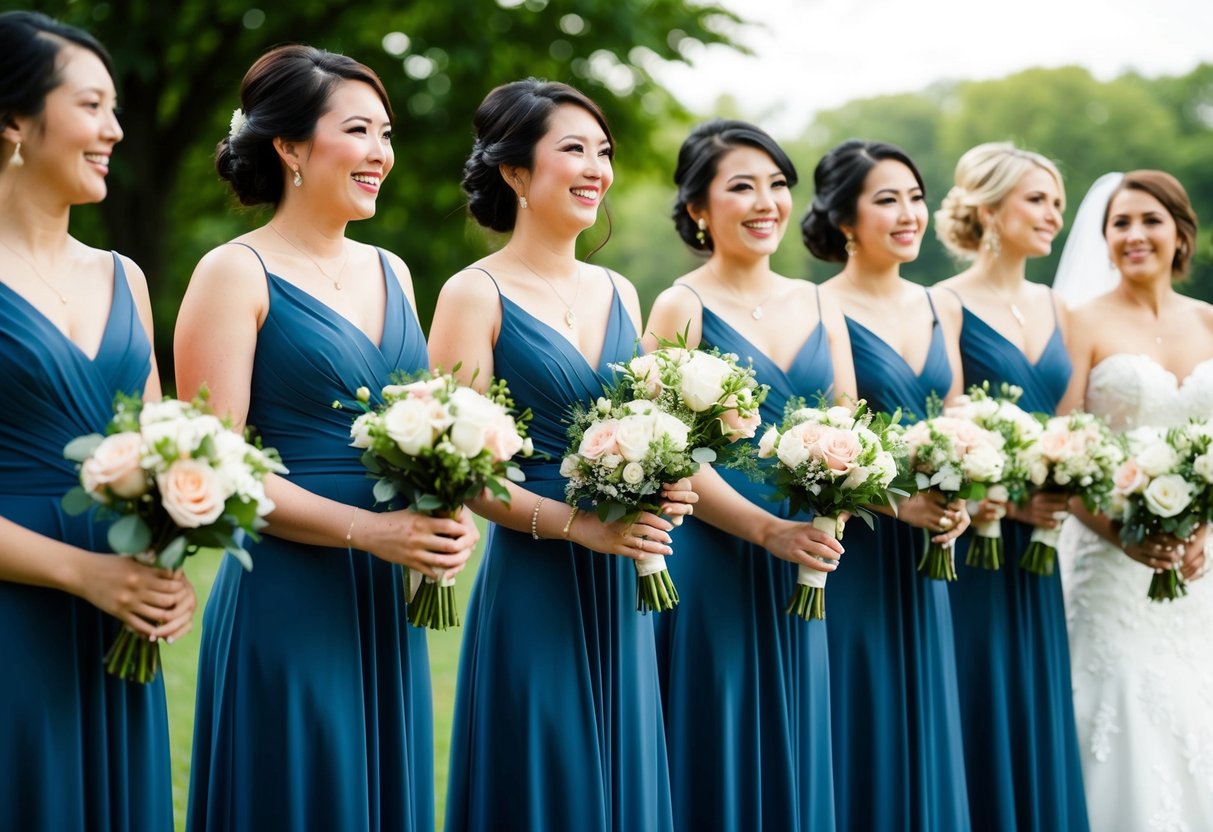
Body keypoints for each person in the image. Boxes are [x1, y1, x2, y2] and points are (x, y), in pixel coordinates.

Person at [177, 45, 478, 831]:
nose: (380, 152)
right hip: (289, 593)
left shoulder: (393, 271)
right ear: (289, 147)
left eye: (386, 132)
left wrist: (451, 499)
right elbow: (218, 463)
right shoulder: (233, 272)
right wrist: (369, 530)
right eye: (358, 130)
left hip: (387, 596)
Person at [429, 78, 696, 832]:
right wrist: (578, 526)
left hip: (623, 581)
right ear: (515, 172)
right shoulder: (471, 294)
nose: (595, 169)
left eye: (602, 151)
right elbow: (463, 470)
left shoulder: (619, 291)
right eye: (572, 149)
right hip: (534, 576)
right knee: (546, 783)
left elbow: (641, 423)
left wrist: (665, 479)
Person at [0, 11, 195, 830]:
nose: (115, 130)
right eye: (91, 106)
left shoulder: (125, 277)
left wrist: (172, 550)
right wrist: (85, 574)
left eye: (116, 109)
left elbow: (158, 449)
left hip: (119, 623)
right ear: (13, 119)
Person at [641, 118, 854, 832]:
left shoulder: (822, 302)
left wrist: (833, 512)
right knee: (718, 736)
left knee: (800, 735)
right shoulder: (680, 304)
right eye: (741, 187)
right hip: (714, 552)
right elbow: (663, 449)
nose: (766, 202)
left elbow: (848, 431)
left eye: (775, 185)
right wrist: (767, 530)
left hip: (805, 557)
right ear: (698, 208)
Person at [802, 139, 972, 831]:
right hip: (858, 544)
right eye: (885, 200)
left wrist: (964, 488)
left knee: (923, 718)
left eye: (914, 197)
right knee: (858, 718)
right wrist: (898, 501)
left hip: (927, 552)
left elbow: (956, 419)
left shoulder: (941, 307)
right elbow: (823, 440)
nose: (908, 214)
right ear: (844, 219)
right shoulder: (816, 308)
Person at [933, 142, 1090, 832]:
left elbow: (1072, 427)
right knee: (972, 701)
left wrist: (1062, 482)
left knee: (1032, 706)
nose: (1052, 214)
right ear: (989, 207)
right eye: (1036, 199)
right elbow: (939, 424)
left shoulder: (1061, 309)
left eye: (1056, 201)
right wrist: (993, 493)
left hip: (1038, 551)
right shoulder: (942, 305)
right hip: (969, 541)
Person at [1055, 170, 1213, 830]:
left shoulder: (1209, 320)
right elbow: (1057, 454)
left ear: (1179, 232)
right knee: (1114, 704)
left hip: (1197, 568)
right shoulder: (1079, 323)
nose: (1133, 235)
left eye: (1148, 220)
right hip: (1108, 564)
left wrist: (1203, 531)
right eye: (1118, 224)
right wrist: (1125, 535)